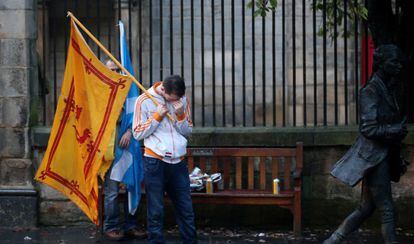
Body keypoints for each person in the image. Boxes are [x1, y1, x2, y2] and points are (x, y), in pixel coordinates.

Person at [324, 44, 409, 244]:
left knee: (366, 208)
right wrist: (393, 130)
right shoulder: (370, 90)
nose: (399, 66)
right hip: (373, 158)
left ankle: (332, 240)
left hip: (383, 155)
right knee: (387, 209)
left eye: (399, 62)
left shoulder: (389, 88)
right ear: (381, 64)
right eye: (393, 62)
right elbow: (368, 129)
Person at [132, 74, 197, 244]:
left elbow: (187, 131)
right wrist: (157, 117)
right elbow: (137, 133)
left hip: (178, 162)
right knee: (156, 210)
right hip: (155, 162)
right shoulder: (144, 100)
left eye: (179, 98)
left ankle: (190, 241)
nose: (176, 101)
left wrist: (181, 114)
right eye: (172, 98)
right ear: (164, 90)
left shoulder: (182, 100)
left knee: (186, 208)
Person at [103, 60, 146, 241]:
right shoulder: (102, 92)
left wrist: (129, 131)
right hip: (110, 150)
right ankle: (111, 226)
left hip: (127, 147)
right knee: (112, 192)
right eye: (111, 70)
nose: (114, 72)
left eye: (117, 70)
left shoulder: (130, 95)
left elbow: (137, 118)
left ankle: (131, 225)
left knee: (132, 186)